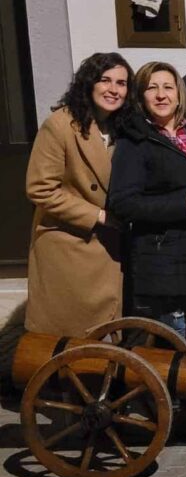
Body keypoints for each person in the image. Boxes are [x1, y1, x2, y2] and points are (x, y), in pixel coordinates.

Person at [109, 61, 186, 429]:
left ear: (180, 92)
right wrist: (183, 202)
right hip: (164, 254)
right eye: (152, 88)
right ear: (141, 95)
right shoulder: (135, 141)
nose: (162, 95)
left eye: (168, 86)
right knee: (178, 338)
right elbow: (123, 203)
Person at [25, 52, 133, 337]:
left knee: (105, 330)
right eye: (105, 80)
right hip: (69, 245)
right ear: (89, 83)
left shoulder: (123, 126)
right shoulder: (60, 125)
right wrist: (97, 215)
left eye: (121, 83)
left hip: (109, 245)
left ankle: (101, 376)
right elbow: (40, 188)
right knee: (68, 336)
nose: (113, 89)